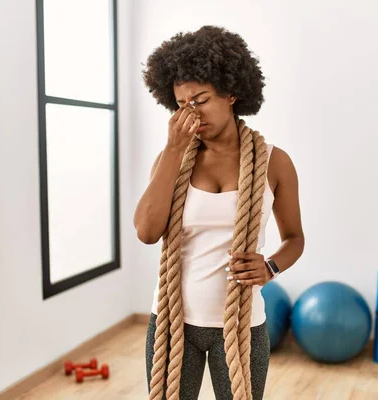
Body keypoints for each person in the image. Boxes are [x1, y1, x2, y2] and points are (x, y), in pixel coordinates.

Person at [134, 25, 305, 400]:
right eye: (181, 105)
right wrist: (173, 151)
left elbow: (295, 239)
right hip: (171, 322)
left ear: (231, 92)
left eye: (201, 99)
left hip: (243, 324)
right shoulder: (171, 160)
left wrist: (270, 267)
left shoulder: (274, 162)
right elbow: (147, 232)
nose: (191, 113)